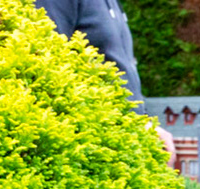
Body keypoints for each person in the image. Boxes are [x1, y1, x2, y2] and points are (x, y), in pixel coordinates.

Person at [33, 0, 174, 160]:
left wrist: (144, 123)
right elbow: (45, 68)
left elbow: (120, 69)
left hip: (124, 145)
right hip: (86, 150)